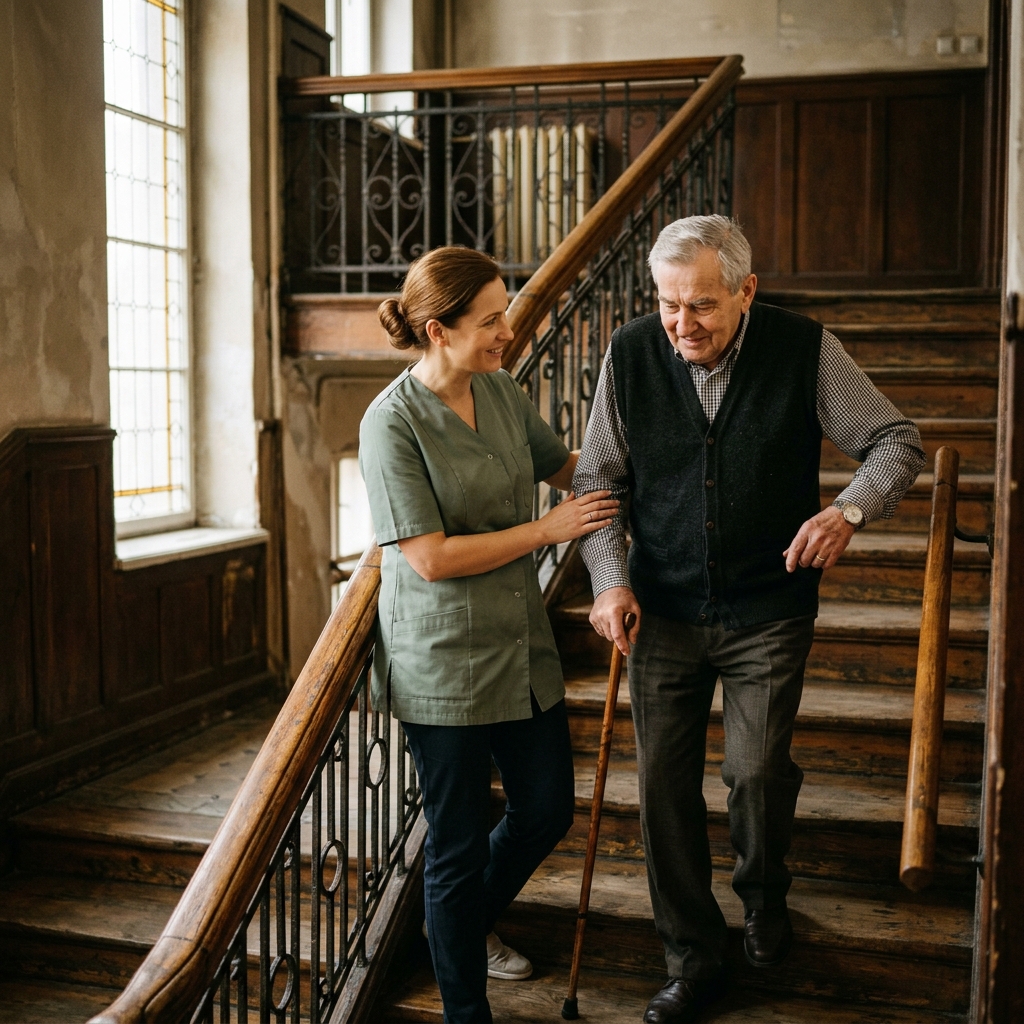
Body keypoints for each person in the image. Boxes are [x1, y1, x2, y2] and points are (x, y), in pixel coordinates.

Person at [574, 215, 926, 1024]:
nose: (681, 325)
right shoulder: (631, 355)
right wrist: (607, 582)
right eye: (667, 305)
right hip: (658, 610)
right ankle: (692, 958)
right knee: (662, 789)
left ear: (746, 290)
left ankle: (765, 896)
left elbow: (895, 441)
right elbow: (597, 480)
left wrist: (849, 513)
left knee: (756, 774)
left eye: (700, 305)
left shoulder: (803, 348)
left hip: (768, 608)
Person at [358, 246, 618, 1024]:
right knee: (457, 843)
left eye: (504, 313)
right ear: (439, 330)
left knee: (546, 810)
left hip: (519, 647)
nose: (508, 330)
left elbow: (564, 466)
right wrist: (546, 532)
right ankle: (465, 1008)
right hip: (440, 665)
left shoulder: (499, 391)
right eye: (492, 319)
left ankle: (456, 927)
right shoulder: (389, 423)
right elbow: (429, 559)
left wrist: (642, 468)